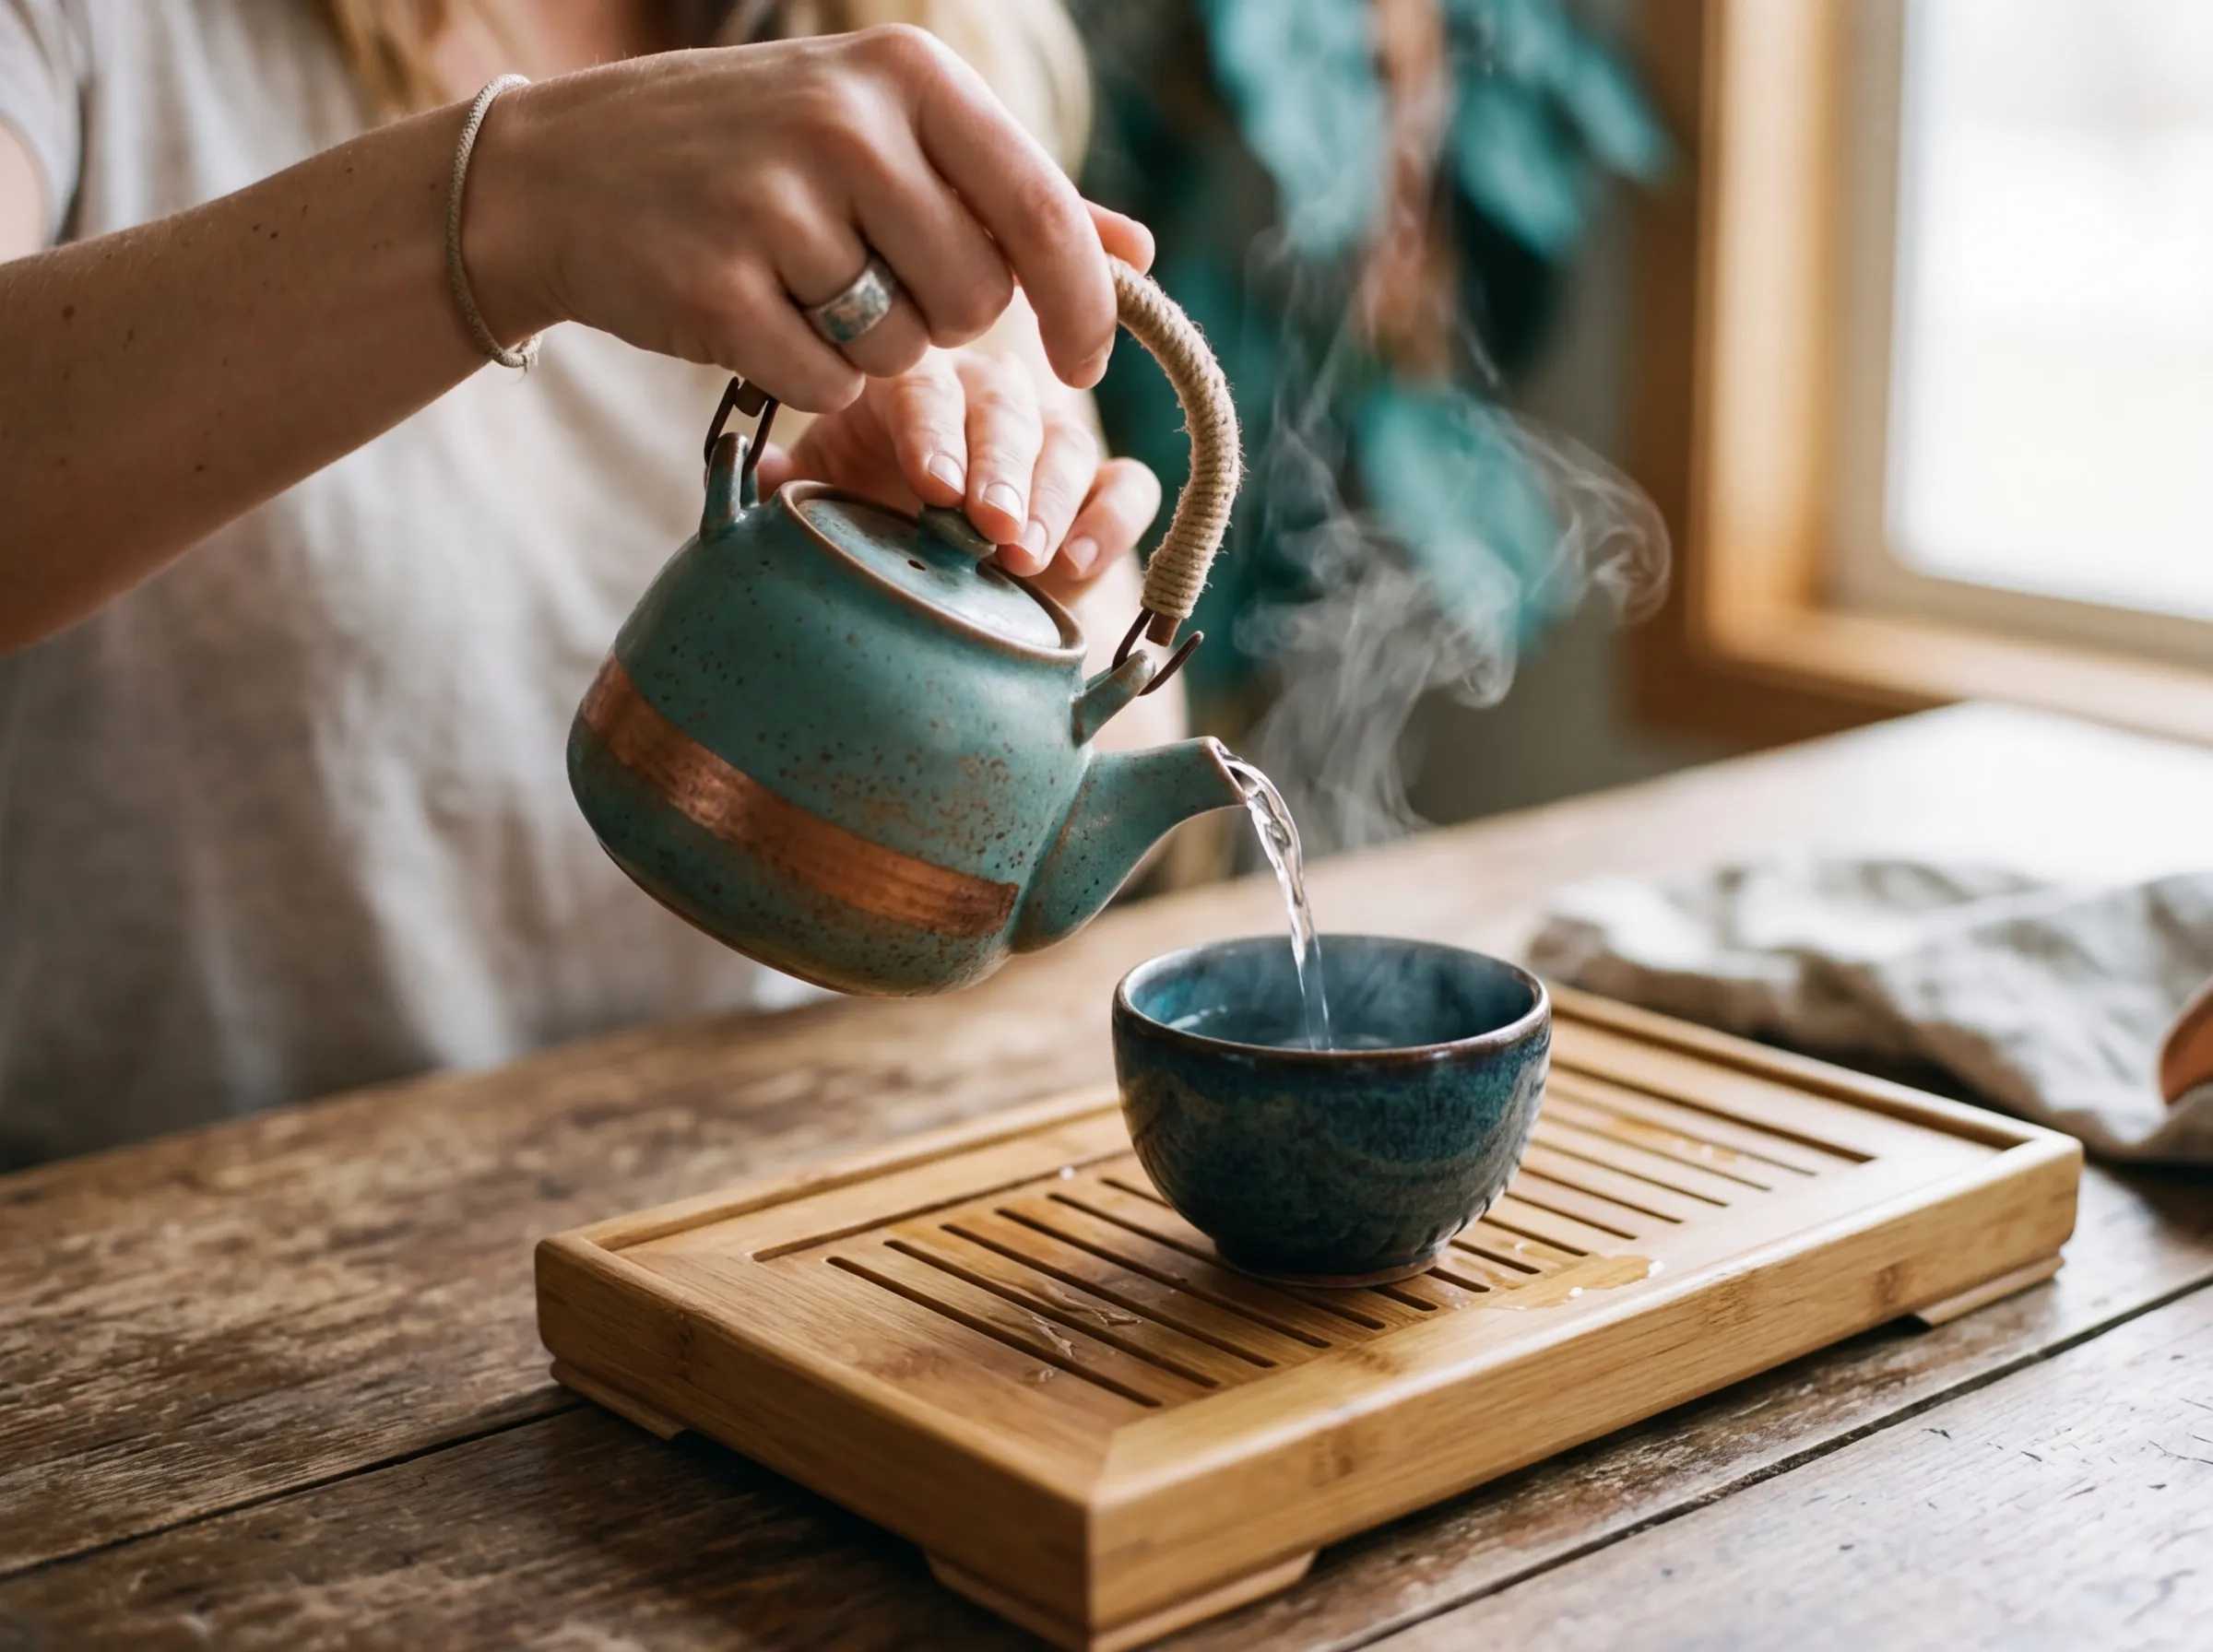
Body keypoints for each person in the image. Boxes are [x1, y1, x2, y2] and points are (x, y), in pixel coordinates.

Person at [0, 0, 1181, 1168]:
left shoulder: (900, 32)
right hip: (196, 1241)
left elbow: (1117, 737)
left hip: (777, 1219)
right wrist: (514, 202)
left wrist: (1008, 523)